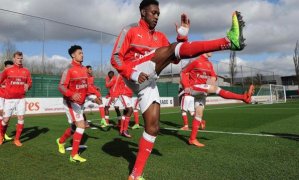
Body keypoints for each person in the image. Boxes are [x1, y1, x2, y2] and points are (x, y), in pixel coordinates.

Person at [111, 0, 247, 179]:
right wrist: (132, 73)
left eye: (158, 13)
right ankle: (228, 41)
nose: (157, 16)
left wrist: (182, 37)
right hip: (133, 73)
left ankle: (135, 175)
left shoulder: (159, 36)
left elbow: (175, 58)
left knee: (152, 128)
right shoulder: (129, 30)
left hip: (149, 80)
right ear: (143, 12)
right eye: (153, 13)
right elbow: (115, 58)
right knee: (173, 49)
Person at [180, 53, 254, 147]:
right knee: (216, 89)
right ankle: (243, 97)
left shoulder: (209, 64)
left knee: (199, 113)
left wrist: (211, 81)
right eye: (210, 49)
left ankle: (192, 139)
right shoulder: (195, 60)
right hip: (193, 87)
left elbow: (213, 76)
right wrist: (186, 86)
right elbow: (183, 72)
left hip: (202, 90)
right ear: (205, 50)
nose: (213, 51)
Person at [56, 45, 98, 162]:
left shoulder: (84, 69)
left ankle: (60, 142)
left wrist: (94, 97)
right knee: (81, 125)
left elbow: (86, 86)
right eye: (80, 53)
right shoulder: (68, 69)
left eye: (82, 53)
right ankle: (74, 155)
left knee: (74, 128)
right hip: (70, 102)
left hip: (80, 103)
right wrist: (71, 94)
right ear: (73, 55)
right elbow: (61, 86)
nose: (82, 54)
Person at [0, 51, 32, 146]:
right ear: (14, 59)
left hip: (21, 98)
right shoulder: (8, 71)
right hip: (9, 99)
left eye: (21, 58)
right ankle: (1, 136)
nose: (20, 60)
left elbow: (29, 83)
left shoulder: (26, 71)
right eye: (18, 58)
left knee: (21, 118)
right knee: (5, 119)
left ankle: (17, 139)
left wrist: (28, 86)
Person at [0, 60, 15, 142]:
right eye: (9, 68)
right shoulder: (1, 75)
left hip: (8, 99)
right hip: (0, 98)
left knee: (7, 118)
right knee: (1, 115)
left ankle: (3, 133)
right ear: (5, 67)